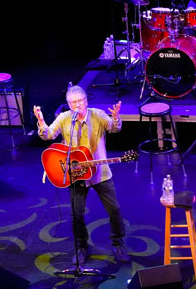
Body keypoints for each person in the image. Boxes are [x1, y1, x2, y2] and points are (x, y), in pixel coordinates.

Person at [33, 85, 129, 264]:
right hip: (75, 174)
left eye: (81, 101)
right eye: (74, 102)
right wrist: (41, 122)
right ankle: (82, 246)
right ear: (69, 104)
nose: (78, 105)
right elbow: (48, 135)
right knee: (76, 214)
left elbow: (113, 128)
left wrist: (115, 118)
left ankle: (118, 243)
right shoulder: (64, 118)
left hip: (100, 173)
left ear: (86, 100)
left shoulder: (97, 115)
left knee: (114, 210)